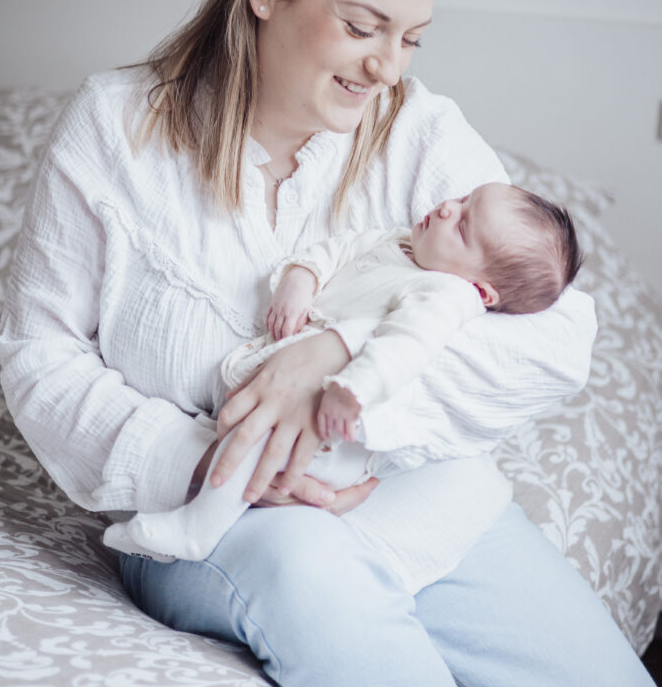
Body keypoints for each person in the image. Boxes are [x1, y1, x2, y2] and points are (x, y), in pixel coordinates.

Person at [0, 0, 661, 687]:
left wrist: (328, 361)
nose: (386, 66)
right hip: (224, 517)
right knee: (320, 589)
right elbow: (38, 354)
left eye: (412, 37)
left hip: (423, 501)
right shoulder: (111, 134)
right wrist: (213, 460)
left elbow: (555, 339)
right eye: (362, 26)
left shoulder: (419, 133)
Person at [103, 181, 584, 569]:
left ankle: (197, 530)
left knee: (257, 439)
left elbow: (406, 347)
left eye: (462, 226)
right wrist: (301, 279)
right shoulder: (398, 244)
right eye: (461, 199)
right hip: (297, 394)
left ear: (480, 290)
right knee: (246, 430)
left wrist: (353, 390)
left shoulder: (444, 294)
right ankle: (208, 513)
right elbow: (338, 249)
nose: (445, 209)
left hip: (337, 426)